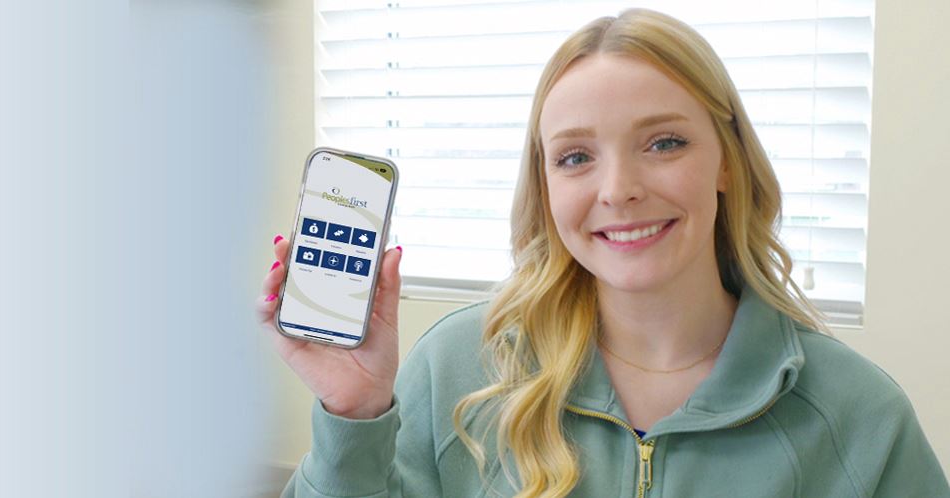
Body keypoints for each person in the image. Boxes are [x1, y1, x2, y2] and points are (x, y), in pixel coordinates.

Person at [256, 8, 950, 498]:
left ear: (727, 161)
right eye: (576, 156)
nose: (618, 190)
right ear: (544, 184)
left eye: (663, 143)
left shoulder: (860, 416)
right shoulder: (456, 370)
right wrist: (353, 416)